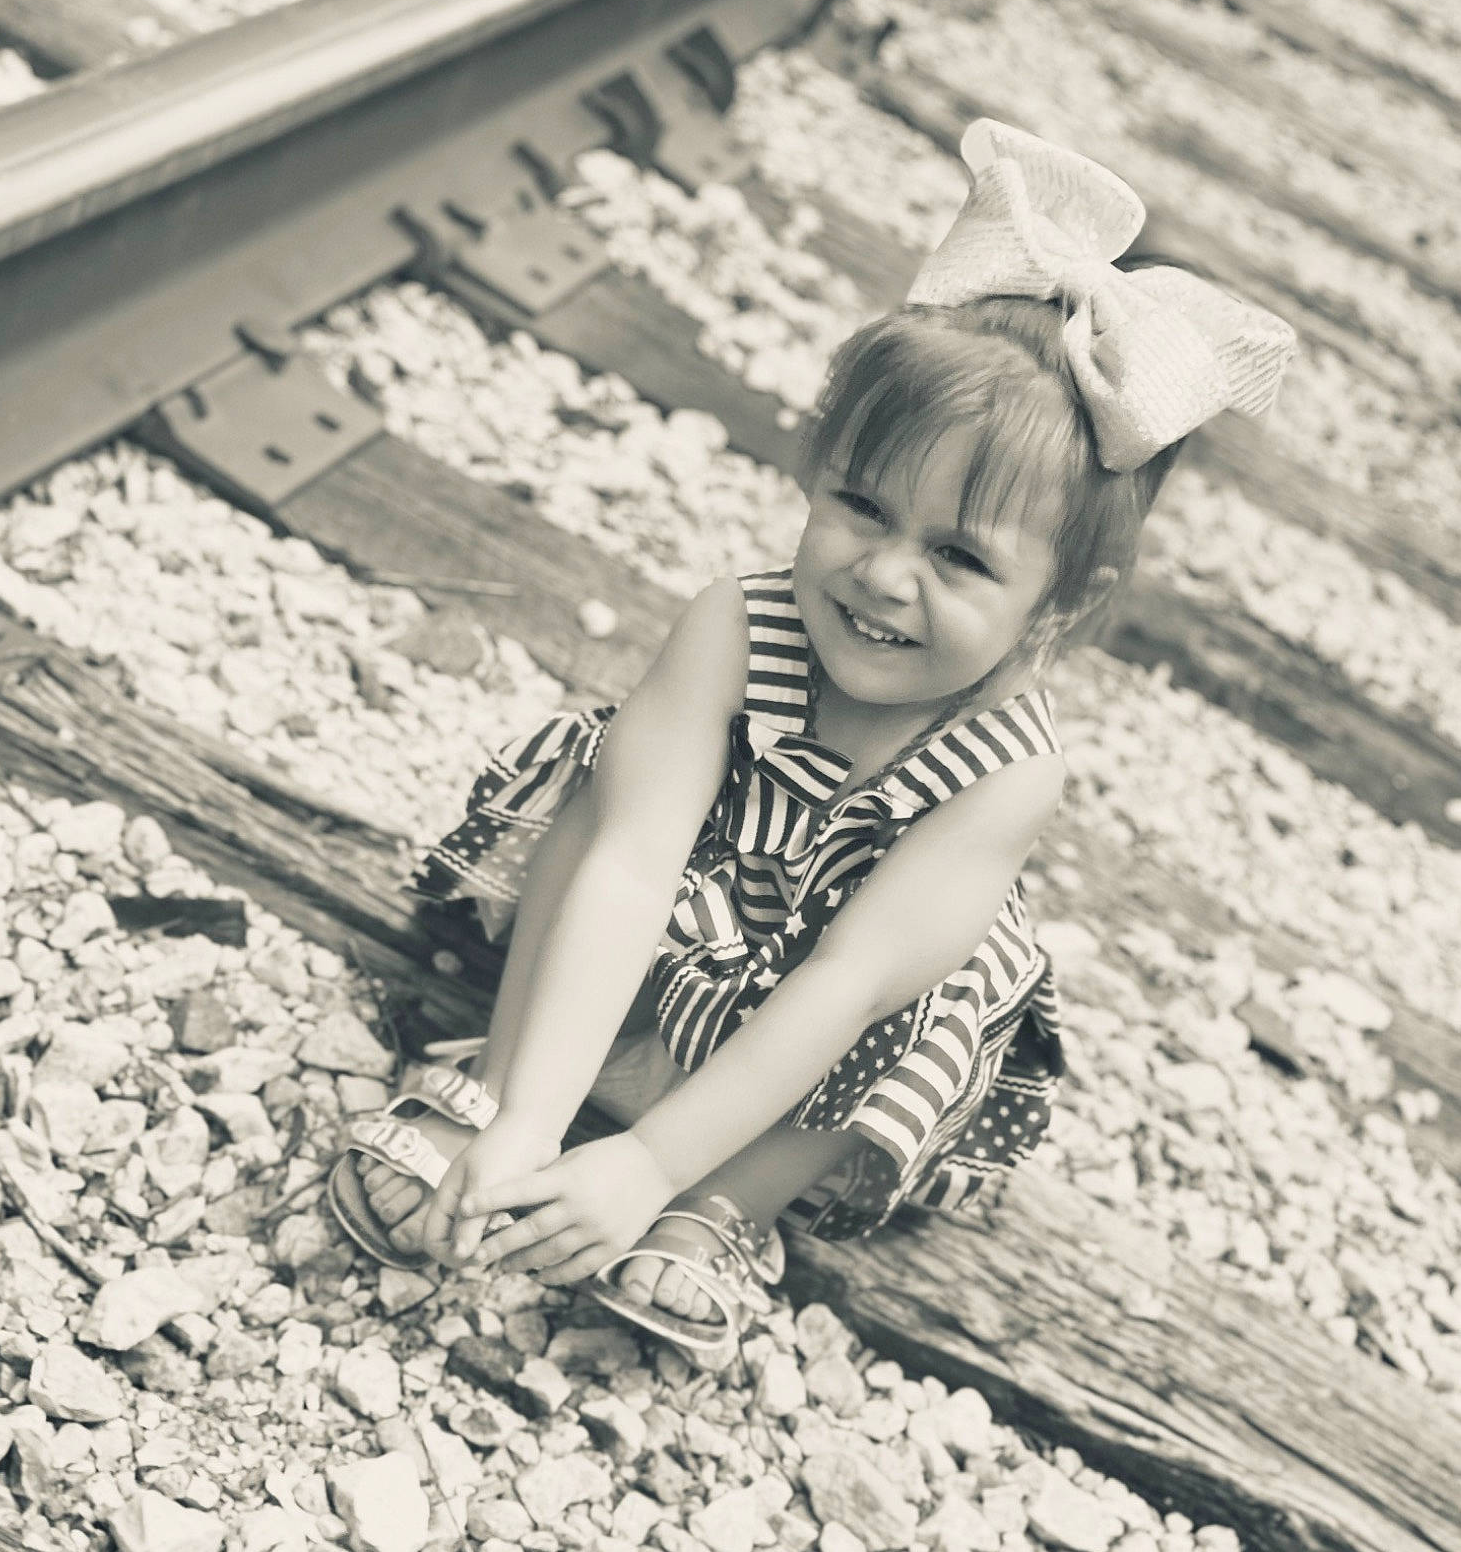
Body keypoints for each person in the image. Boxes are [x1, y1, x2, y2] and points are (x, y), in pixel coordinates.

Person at [328, 119, 1295, 1355]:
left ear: (1061, 604)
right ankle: (504, 1092)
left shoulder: (1009, 770)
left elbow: (843, 988)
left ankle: (716, 1207)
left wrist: (644, 1161)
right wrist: (542, 1117)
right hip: (641, 964)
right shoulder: (738, 624)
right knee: (602, 782)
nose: (885, 575)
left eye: (958, 558)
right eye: (859, 504)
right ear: (816, 466)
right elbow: (629, 860)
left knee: (943, 992)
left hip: (804, 1049)